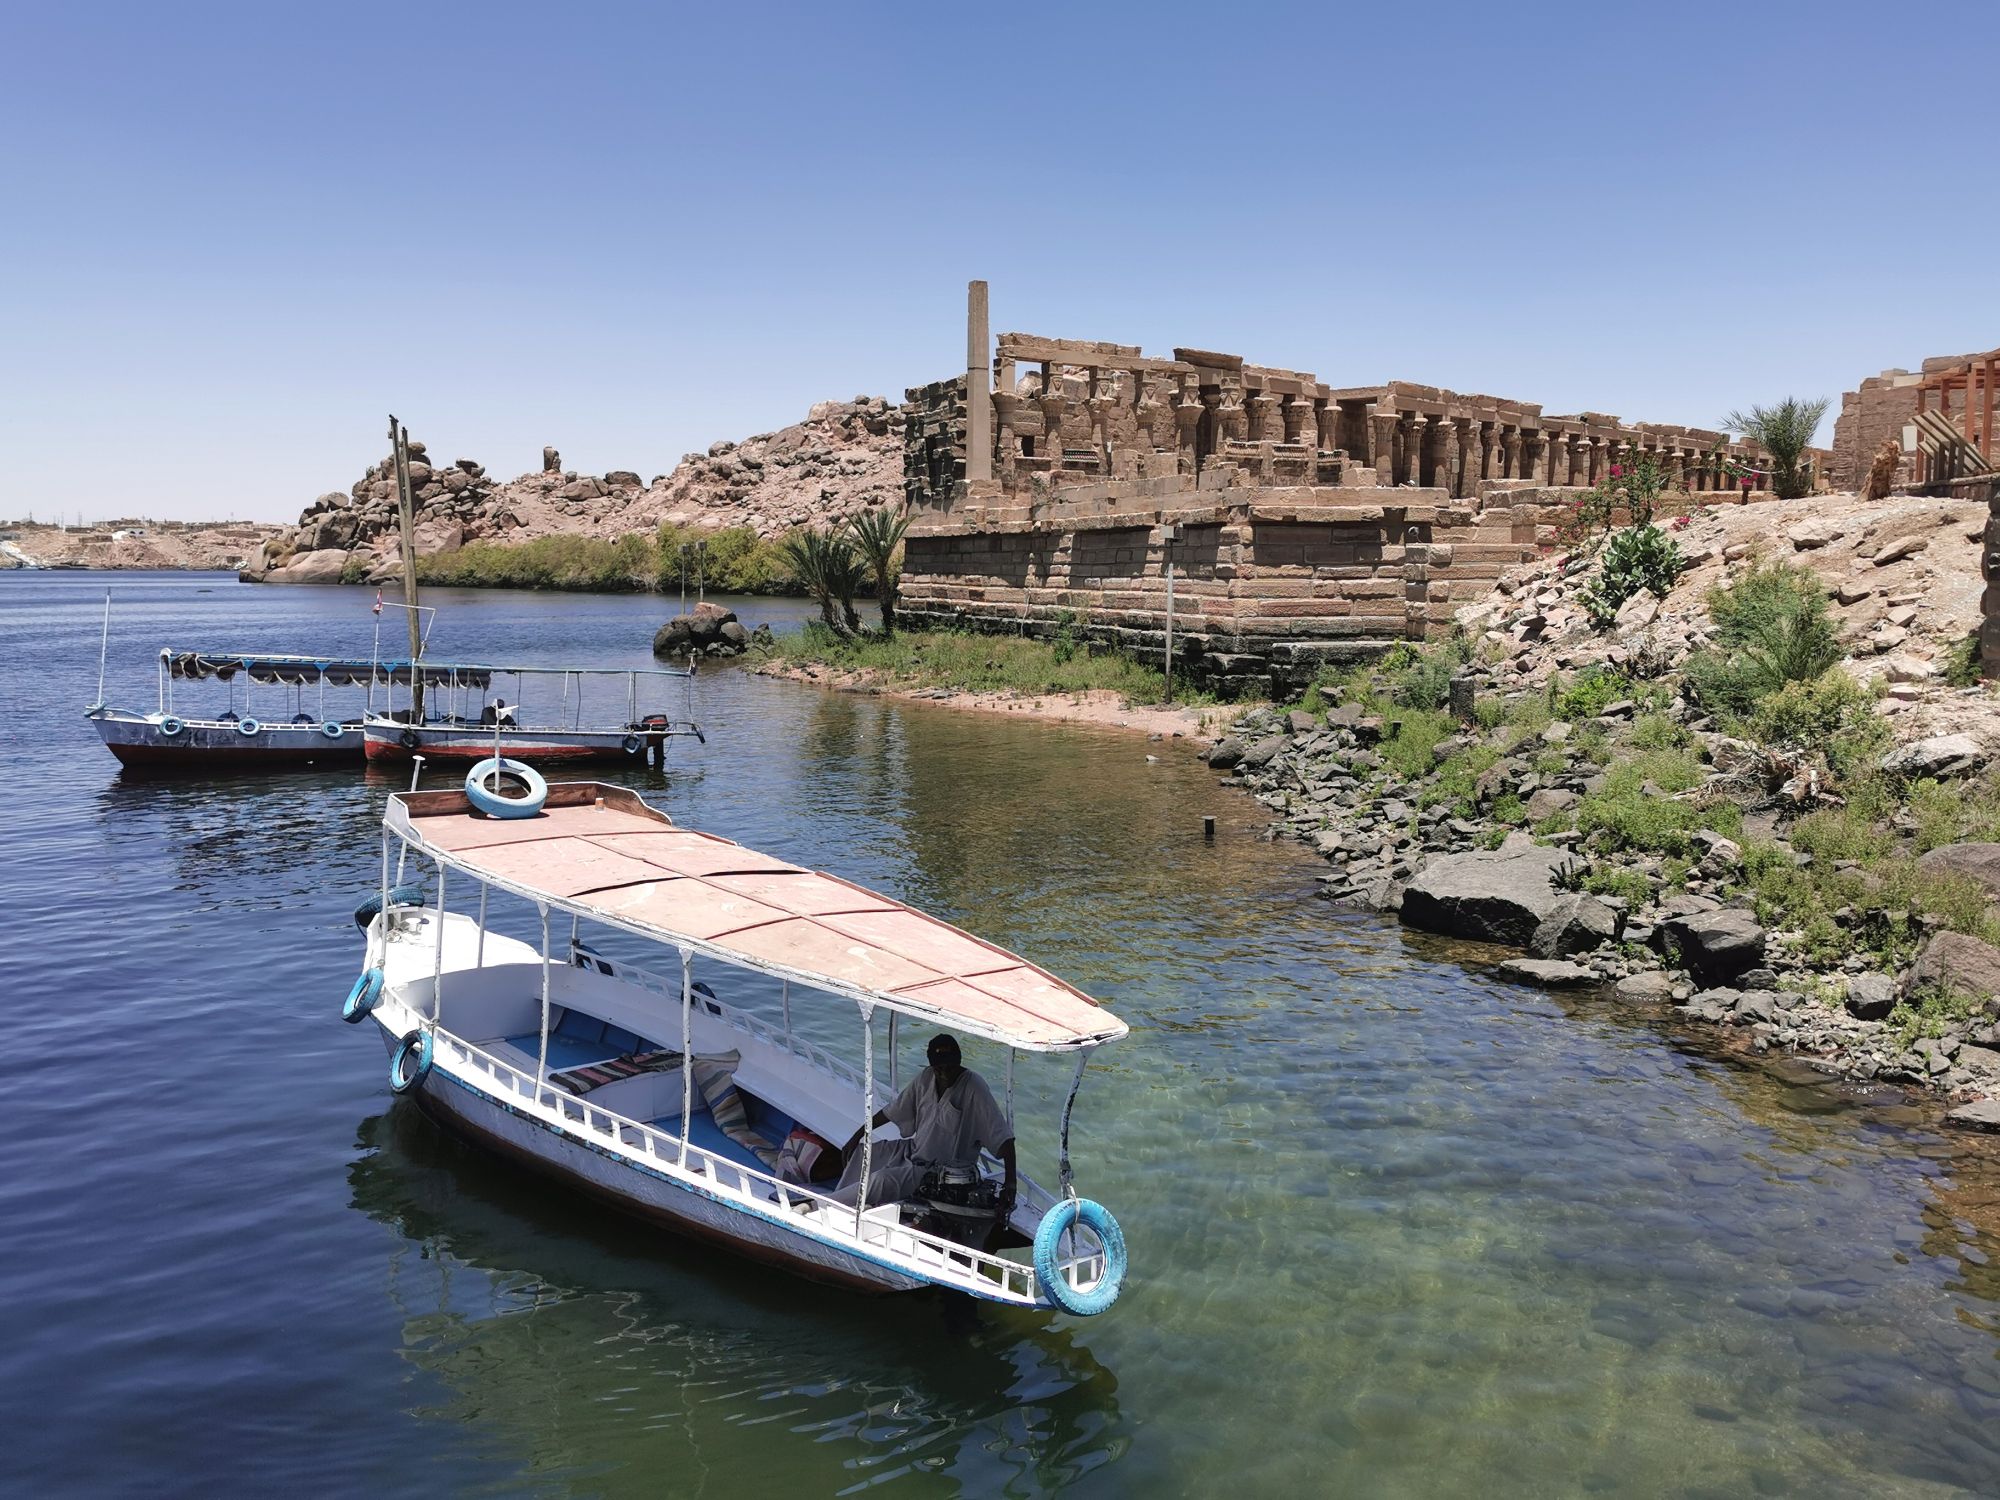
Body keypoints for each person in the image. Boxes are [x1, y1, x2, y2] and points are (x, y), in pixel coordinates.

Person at [830, 1033, 1015, 1212]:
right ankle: (843, 1201)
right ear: (932, 1066)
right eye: (939, 1068)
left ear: (959, 1061)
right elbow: (892, 1110)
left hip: (938, 1173)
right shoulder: (926, 1078)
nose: (944, 1074)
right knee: (863, 1153)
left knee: (881, 1179)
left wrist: (1010, 1183)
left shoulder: (974, 1087)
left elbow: (1004, 1137)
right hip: (914, 1151)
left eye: (950, 1067)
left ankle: (825, 1206)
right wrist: (859, 1134)